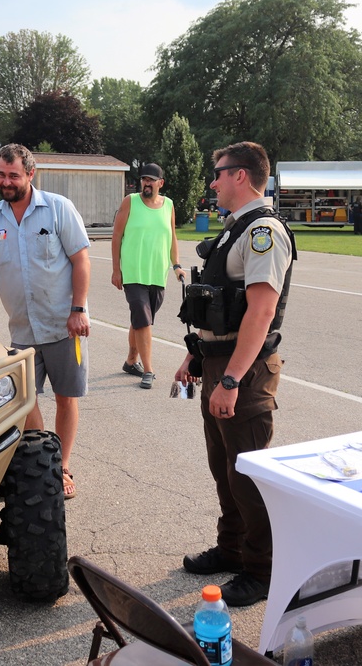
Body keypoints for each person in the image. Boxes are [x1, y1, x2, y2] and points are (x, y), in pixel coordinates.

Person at [175, 141, 295, 607]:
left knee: (247, 473)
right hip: (220, 360)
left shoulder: (263, 231)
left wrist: (231, 380)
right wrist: (197, 357)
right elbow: (218, 305)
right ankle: (231, 549)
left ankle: (262, 571)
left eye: (219, 172)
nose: (213, 181)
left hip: (244, 370)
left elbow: (261, 312)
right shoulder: (236, 230)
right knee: (224, 468)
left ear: (241, 175)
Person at [0, 144, 90, 500]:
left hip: (65, 325)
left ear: (30, 174)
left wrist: (78, 309)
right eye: (1, 175)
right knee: (26, 399)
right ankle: (47, 462)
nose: (5, 182)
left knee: (66, 398)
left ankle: (62, 464)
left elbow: (81, 261)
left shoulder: (57, 209)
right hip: (22, 330)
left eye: (13, 176)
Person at [111, 163, 185, 389]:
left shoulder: (169, 205)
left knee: (141, 320)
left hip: (157, 274)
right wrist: (116, 269)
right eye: (144, 179)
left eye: (151, 180)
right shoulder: (130, 202)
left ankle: (131, 361)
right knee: (143, 320)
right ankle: (149, 370)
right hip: (133, 274)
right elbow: (116, 235)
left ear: (160, 183)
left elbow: (171, 236)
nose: (147, 183)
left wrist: (176, 265)